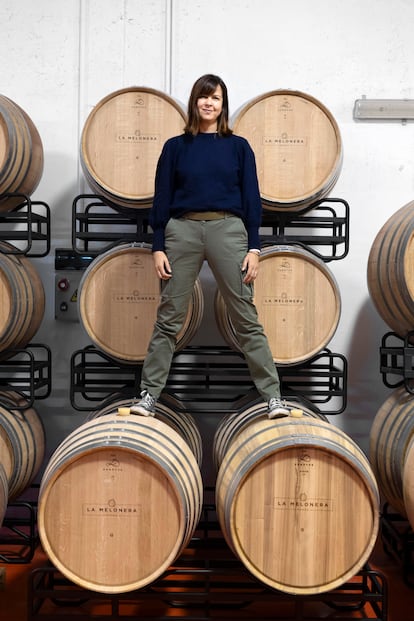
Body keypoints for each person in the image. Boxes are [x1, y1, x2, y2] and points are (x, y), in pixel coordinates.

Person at [131, 73, 289, 418]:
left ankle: (273, 397)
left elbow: (252, 200)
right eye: (204, 97)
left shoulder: (238, 147)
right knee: (169, 318)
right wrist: (158, 245)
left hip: (228, 229)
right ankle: (148, 396)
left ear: (223, 104)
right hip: (181, 230)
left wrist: (254, 247)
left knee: (245, 316)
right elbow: (161, 199)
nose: (209, 103)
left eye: (215, 98)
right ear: (194, 102)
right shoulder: (175, 147)